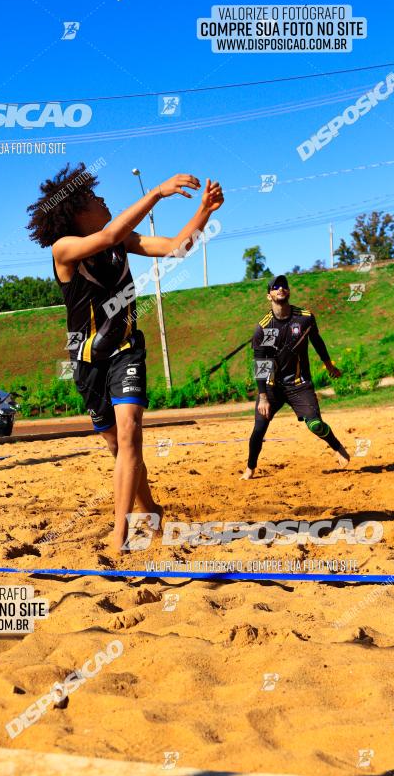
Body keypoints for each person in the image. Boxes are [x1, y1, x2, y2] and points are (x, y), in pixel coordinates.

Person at [27, 163, 224, 551]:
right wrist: (156, 191)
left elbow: (174, 248)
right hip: (87, 360)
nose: (103, 199)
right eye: (94, 198)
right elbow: (111, 232)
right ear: (75, 211)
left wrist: (204, 212)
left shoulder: (120, 241)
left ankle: (120, 536)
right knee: (120, 449)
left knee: (131, 433)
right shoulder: (64, 248)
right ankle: (151, 510)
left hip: (126, 349)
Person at [240, 274, 349, 480]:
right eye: (275, 287)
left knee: (315, 424)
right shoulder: (263, 327)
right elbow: (261, 364)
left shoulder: (305, 317)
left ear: (288, 292)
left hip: (299, 383)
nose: (280, 289)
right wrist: (263, 397)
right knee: (259, 428)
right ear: (269, 295)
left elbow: (317, 341)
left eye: (284, 286)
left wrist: (329, 365)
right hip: (272, 386)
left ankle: (337, 447)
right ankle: (250, 468)